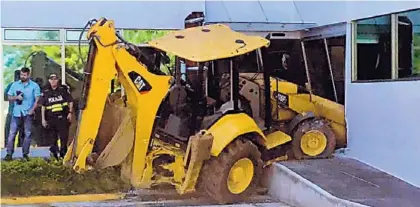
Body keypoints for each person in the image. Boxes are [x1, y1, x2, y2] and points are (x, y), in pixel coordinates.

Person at [4, 67, 41, 161]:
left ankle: (25, 154)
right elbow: (8, 97)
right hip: (16, 113)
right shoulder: (14, 85)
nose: (22, 77)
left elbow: (37, 100)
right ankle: (9, 154)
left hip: (28, 113)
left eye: (24, 75)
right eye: (21, 75)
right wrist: (16, 97)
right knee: (12, 134)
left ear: (29, 75)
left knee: (27, 134)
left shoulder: (34, 86)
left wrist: (32, 110)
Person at [40, 73, 73, 160]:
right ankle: (55, 156)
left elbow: (70, 101)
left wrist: (70, 112)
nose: (53, 81)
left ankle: (63, 156)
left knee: (63, 138)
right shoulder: (46, 92)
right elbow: (43, 106)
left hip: (62, 118)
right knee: (52, 139)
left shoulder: (63, 90)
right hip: (51, 119)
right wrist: (43, 119)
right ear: (49, 80)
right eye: (52, 79)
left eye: (55, 79)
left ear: (58, 80)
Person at [4, 70, 25, 148]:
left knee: (22, 134)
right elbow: (5, 97)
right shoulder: (11, 86)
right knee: (9, 134)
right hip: (12, 113)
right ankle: (8, 150)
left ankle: (20, 150)